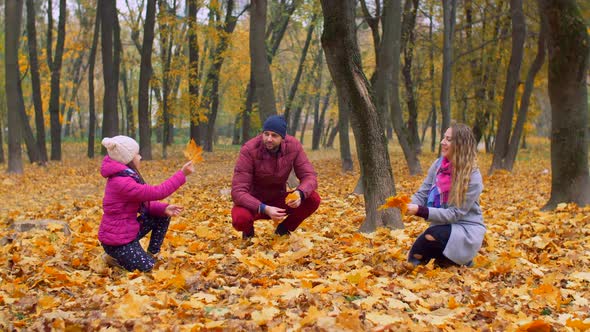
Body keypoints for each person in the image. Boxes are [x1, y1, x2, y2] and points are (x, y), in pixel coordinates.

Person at [99, 135, 194, 272]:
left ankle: (151, 254)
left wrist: (164, 208)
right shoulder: (122, 182)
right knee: (150, 270)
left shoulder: (125, 176)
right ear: (127, 159)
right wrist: (182, 174)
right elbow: (157, 192)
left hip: (127, 232)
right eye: (137, 154)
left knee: (162, 215)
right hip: (118, 242)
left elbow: (143, 203)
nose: (140, 157)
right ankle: (114, 257)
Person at [405, 122, 485, 267]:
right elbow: (422, 193)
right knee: (417, 252)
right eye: (444, 138)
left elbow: (454, 214)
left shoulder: (473, 177)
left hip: (466, 230)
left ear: (460, 145)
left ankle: (462, 258)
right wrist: (406, 204)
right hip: (442, 226)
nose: (442, 142)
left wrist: (419, 211)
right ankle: (446, 260)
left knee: (429, 237)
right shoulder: (438, 165)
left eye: (448, 139)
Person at [231, 115, 321, 239]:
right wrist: (264, 208)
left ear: (282, 138)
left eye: (274, 135)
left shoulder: (293, 146)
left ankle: (283, 229)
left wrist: (300, 194)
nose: (269, 139)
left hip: (278, 198)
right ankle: (248, 232)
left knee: (313, 199)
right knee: (240, 219)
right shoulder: (249, 149)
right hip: (252, 202)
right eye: (266, 134)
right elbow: (237, 191)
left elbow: (309, 176)